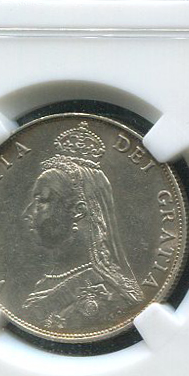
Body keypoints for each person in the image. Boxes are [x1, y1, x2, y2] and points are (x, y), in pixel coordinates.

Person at [22, 121, 143, 331]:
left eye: (42, 200)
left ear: (78, 211)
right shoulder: (48, 282)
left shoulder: (110, 296)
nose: (27, 212)